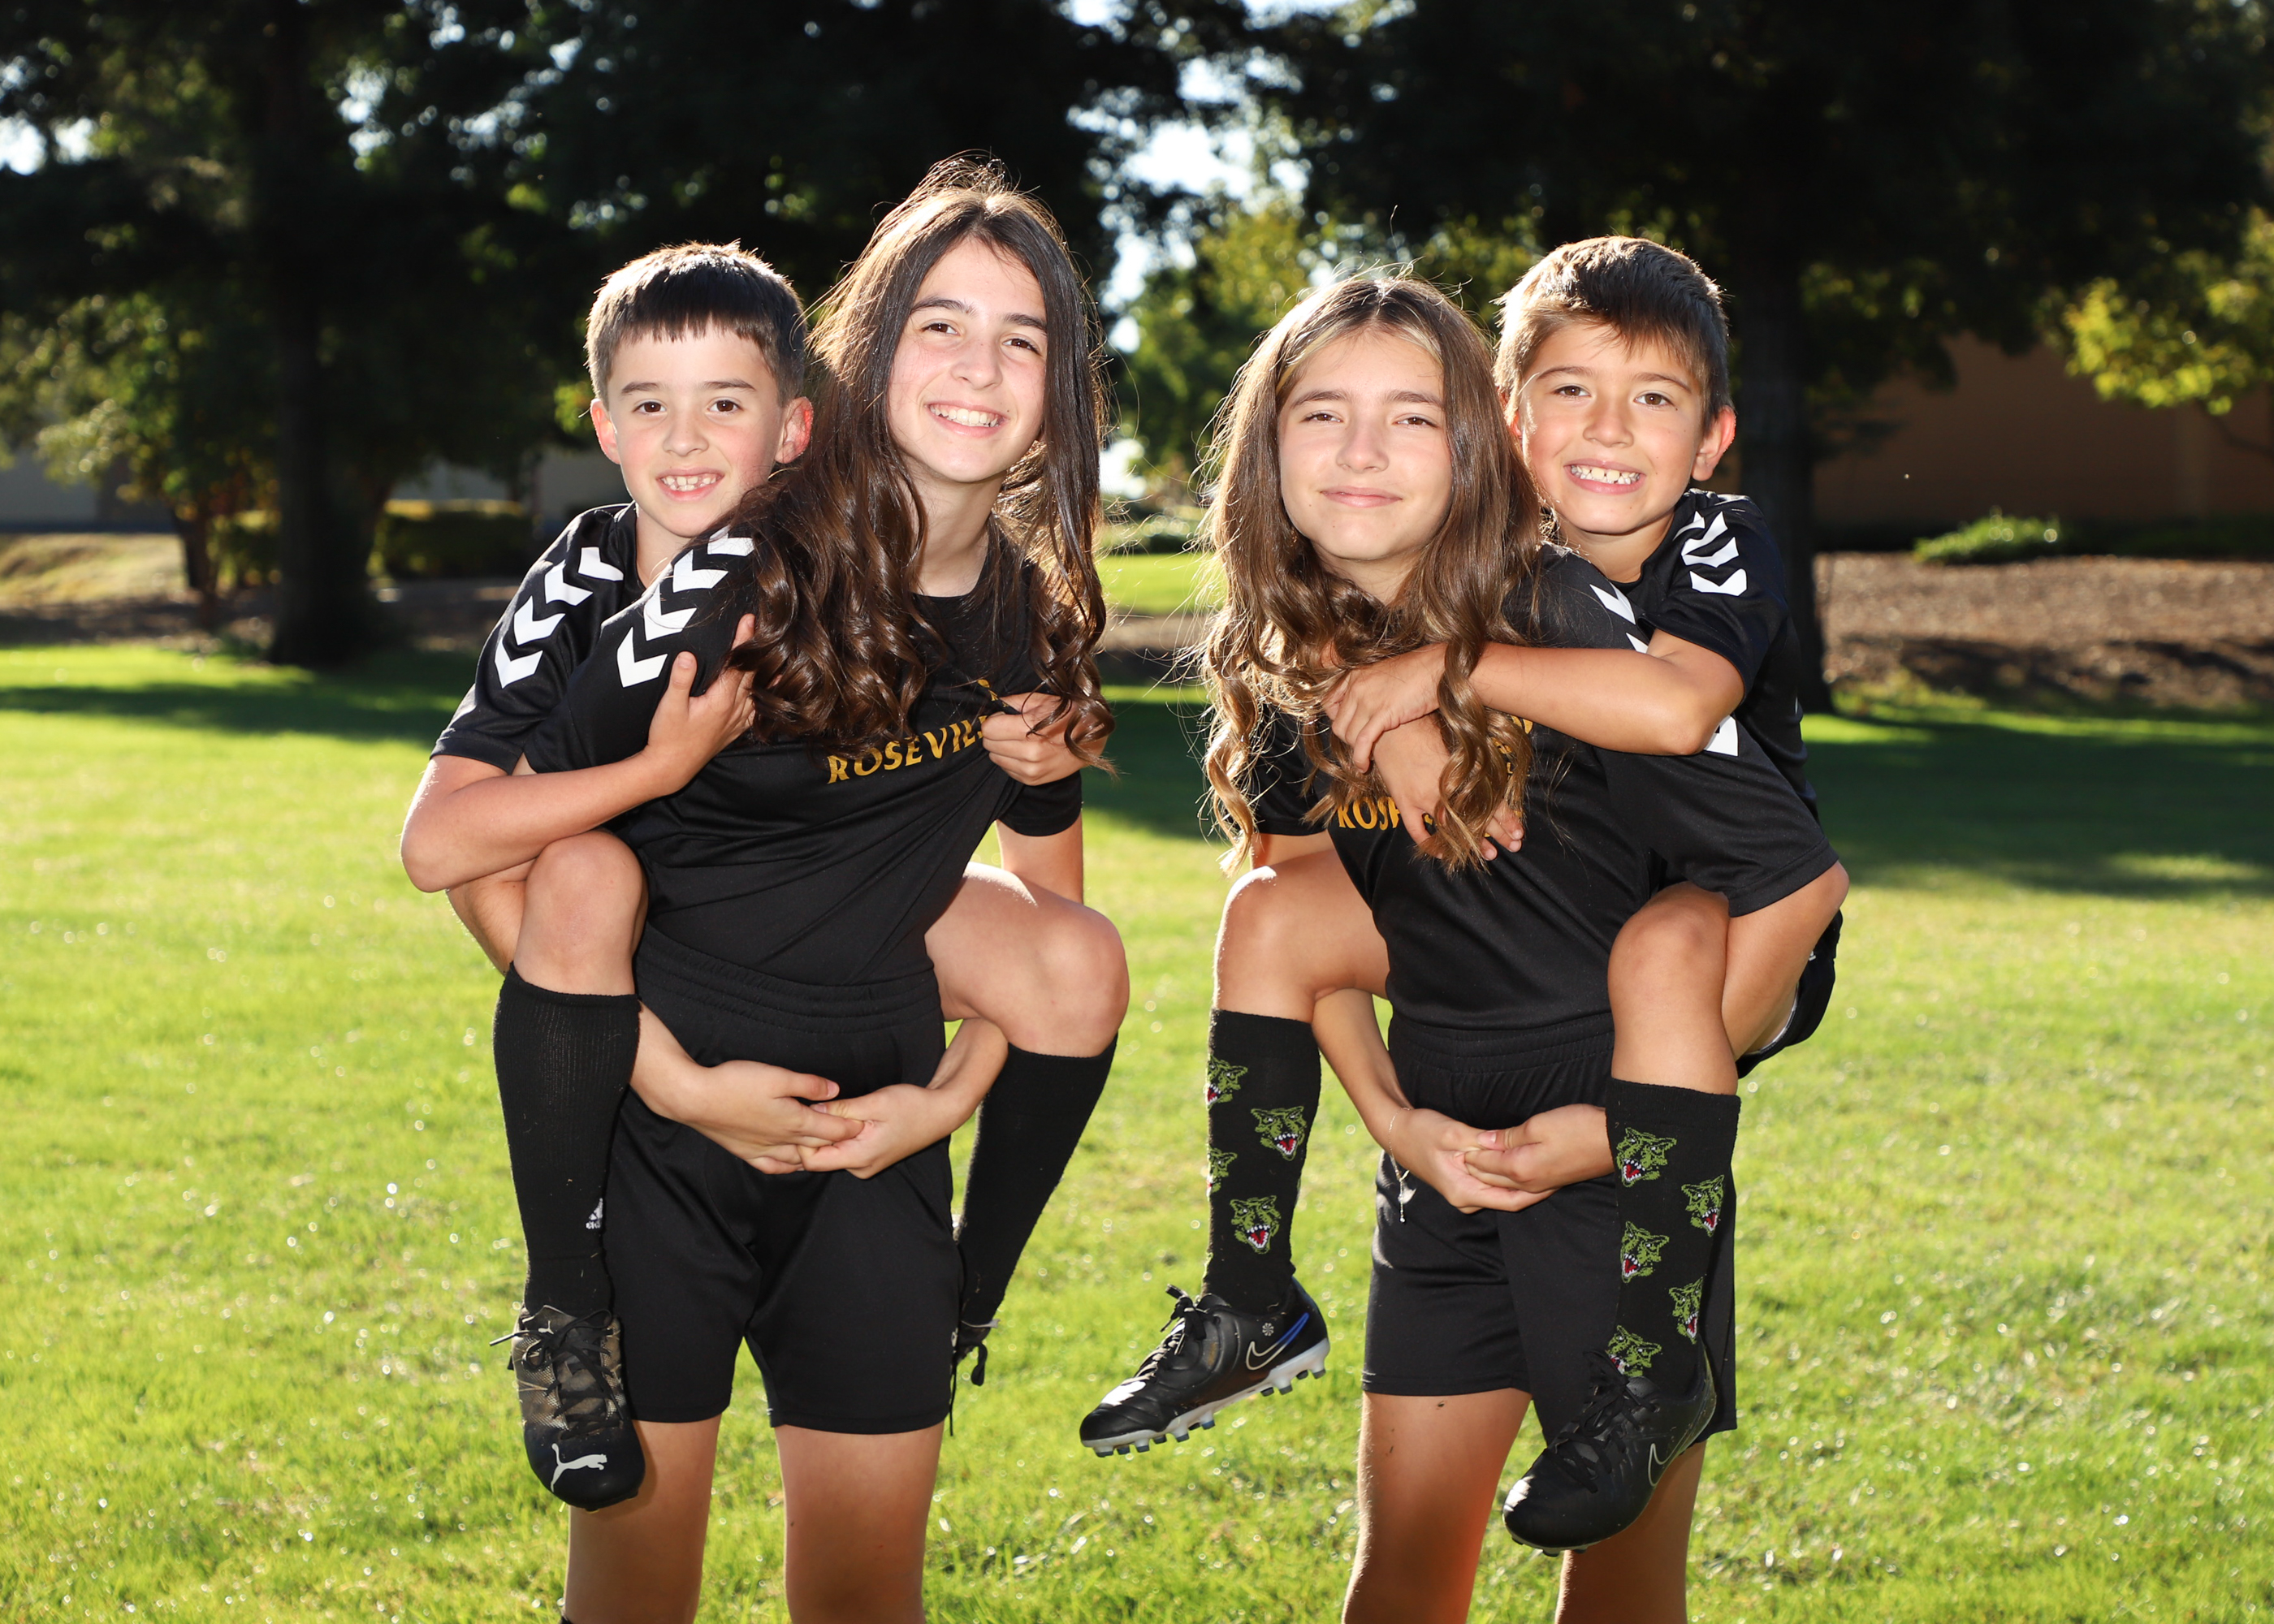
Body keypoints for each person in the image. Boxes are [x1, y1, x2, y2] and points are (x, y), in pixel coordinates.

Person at [1090, 274, 1840, 1621]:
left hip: (1624, 1155)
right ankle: (1250, 1298)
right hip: (1443, 1143)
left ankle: (1652, 1370)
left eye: (1409, 418)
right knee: (1399, 1581)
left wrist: (1616, 1130)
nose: (1362, 452)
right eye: (1323, 414)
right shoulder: (1301, 645)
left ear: (1473, 444)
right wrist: (1396, 1122)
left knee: (1618, 1595)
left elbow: (1791, 876)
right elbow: (1294, 915)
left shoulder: (1570, 617)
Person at [400, 242, 1123, 1510]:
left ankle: (967, 1288)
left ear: (795, 429)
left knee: (1077, 955)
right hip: (637, 983)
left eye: (724, 404)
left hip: (854, 1000)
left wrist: (944, 1096)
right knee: (584, 874)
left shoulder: (990, 601)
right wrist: (674, 1070)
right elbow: (451, 851)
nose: (687, 440)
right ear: (605, 427)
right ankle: (565, 1306)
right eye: (649, 406)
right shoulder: (616, 583)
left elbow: (1048, 915)